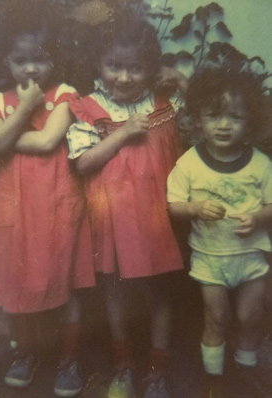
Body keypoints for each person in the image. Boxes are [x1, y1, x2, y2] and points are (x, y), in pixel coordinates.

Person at [66, 17, 188, 398]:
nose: (123, 76)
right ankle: (122, 367)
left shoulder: (163, 102)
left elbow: (201, 106)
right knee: (116, 295)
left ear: (151, 68)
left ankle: (157, 370)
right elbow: (83, 163)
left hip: (157, 222)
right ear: (99, 64)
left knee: (159, 293)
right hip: (114, 223)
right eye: (113, 66)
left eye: (135, 67)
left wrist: (182, 79)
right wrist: (121, 135)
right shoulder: (90, 108)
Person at [0, 11, 95, 396]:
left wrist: (13, 130)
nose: (31, 68)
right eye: (20, 60)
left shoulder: (64, 93)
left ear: (54, 59)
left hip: (56, 200)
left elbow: (47, 142)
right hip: (16, 204)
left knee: (68, 281)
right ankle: (27, 353)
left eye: (40, 58)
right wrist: (26, 109)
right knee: (19, 279)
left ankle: (70, 356)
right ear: (7, 62)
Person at [167, 68, 272, 397]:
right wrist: (196, 208)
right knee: (217, 317)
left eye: (235, 117)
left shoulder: (260, 163)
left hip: (250, 256)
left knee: (251, 316)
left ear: (249, 122)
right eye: (214, 116)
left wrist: (257, 218)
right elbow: (174, 206)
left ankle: (246, 367)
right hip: (211, 258)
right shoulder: (189, 164)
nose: (224, 125)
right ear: (198, 120)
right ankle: (213, 377)